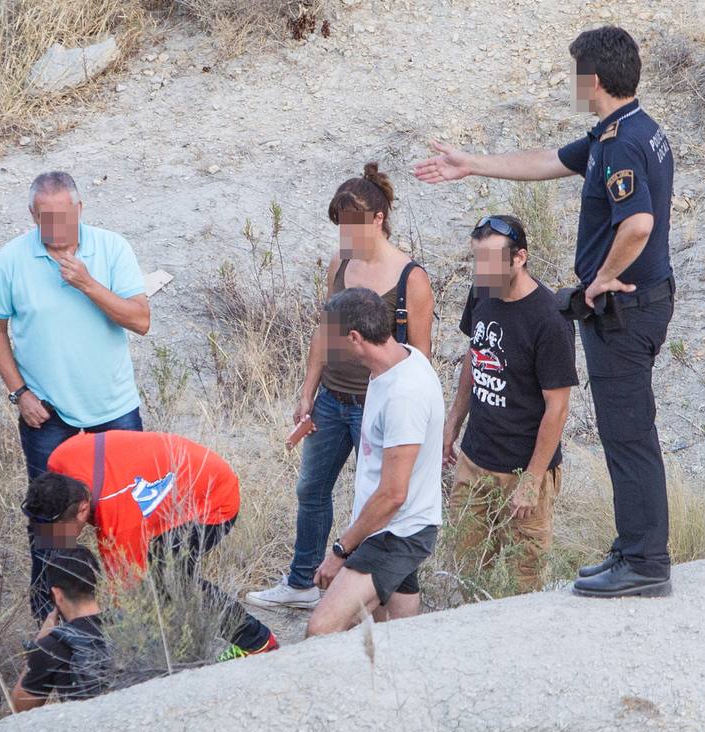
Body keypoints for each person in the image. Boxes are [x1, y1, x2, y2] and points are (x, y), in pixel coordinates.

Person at [413, 26, 675, 598]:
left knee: (628, 436)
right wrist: (471, 164)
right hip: (636, 307)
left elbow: (638, 223)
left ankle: (646, 563)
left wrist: (602, 278)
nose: (572, 82)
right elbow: (549, 162)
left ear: (595, 80)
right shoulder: (626, 131)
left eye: (576, 72)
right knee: (627, 433)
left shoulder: (624, 144)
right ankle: (634, 547)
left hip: (625, 312)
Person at [247, 163, 435, 612]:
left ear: (378, 219)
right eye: (339, 227)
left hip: (379, 405)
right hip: (332, 400)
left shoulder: (412, 279)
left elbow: (421, 359)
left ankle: (378, 591)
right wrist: (308, 390)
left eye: (352, 225)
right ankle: (301, 582)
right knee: (311, 489)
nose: (345, 236)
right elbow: (324, 332)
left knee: (380, 498)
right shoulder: (340, 262)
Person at [0, 171, 152, 618]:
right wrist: (19, 393)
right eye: (45, 218)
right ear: (32, 215)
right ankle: (50, 622)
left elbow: (140, 320)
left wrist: (88, 283)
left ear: (80, 210)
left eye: (64, 217)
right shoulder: (11, 261)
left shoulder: (112, 248)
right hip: (48, 419)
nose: (56, 228)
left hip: (115, 413)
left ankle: (128, 615)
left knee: (127, 517)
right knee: (50, 525)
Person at [24, 431, 278, 660]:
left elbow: (126, 594)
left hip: (212, 498)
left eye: (63, 531)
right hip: (174, 480)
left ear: (82, 509)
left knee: (170, 579)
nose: (60, 538)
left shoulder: (119, 522)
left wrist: (91, 632)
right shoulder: (58, 461)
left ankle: (257, 642)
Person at [443, 215, 577, 592]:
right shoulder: (481, 292)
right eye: (476, 260)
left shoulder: (550, 319)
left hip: (523, 473)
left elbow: (558, 408)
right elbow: (476, 354)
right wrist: (453, 421)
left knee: (525, 585)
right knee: (465, 574)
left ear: (519, 258)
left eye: (489, 262)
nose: (480, 271)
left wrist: (532, 480)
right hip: (474, 462)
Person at [306, 288, 444, 637]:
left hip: (396, 531)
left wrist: (340, 551)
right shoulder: (401, 358)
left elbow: (393, 494)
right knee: (392, 635)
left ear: (354, 338)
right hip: (392, 524)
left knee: (321, 630)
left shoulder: (404, 395)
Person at [11, 547, 112, 712]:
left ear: (57, 594)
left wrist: (38, 644)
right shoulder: (126, 627)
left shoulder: (52, 646)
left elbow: (19, 706)